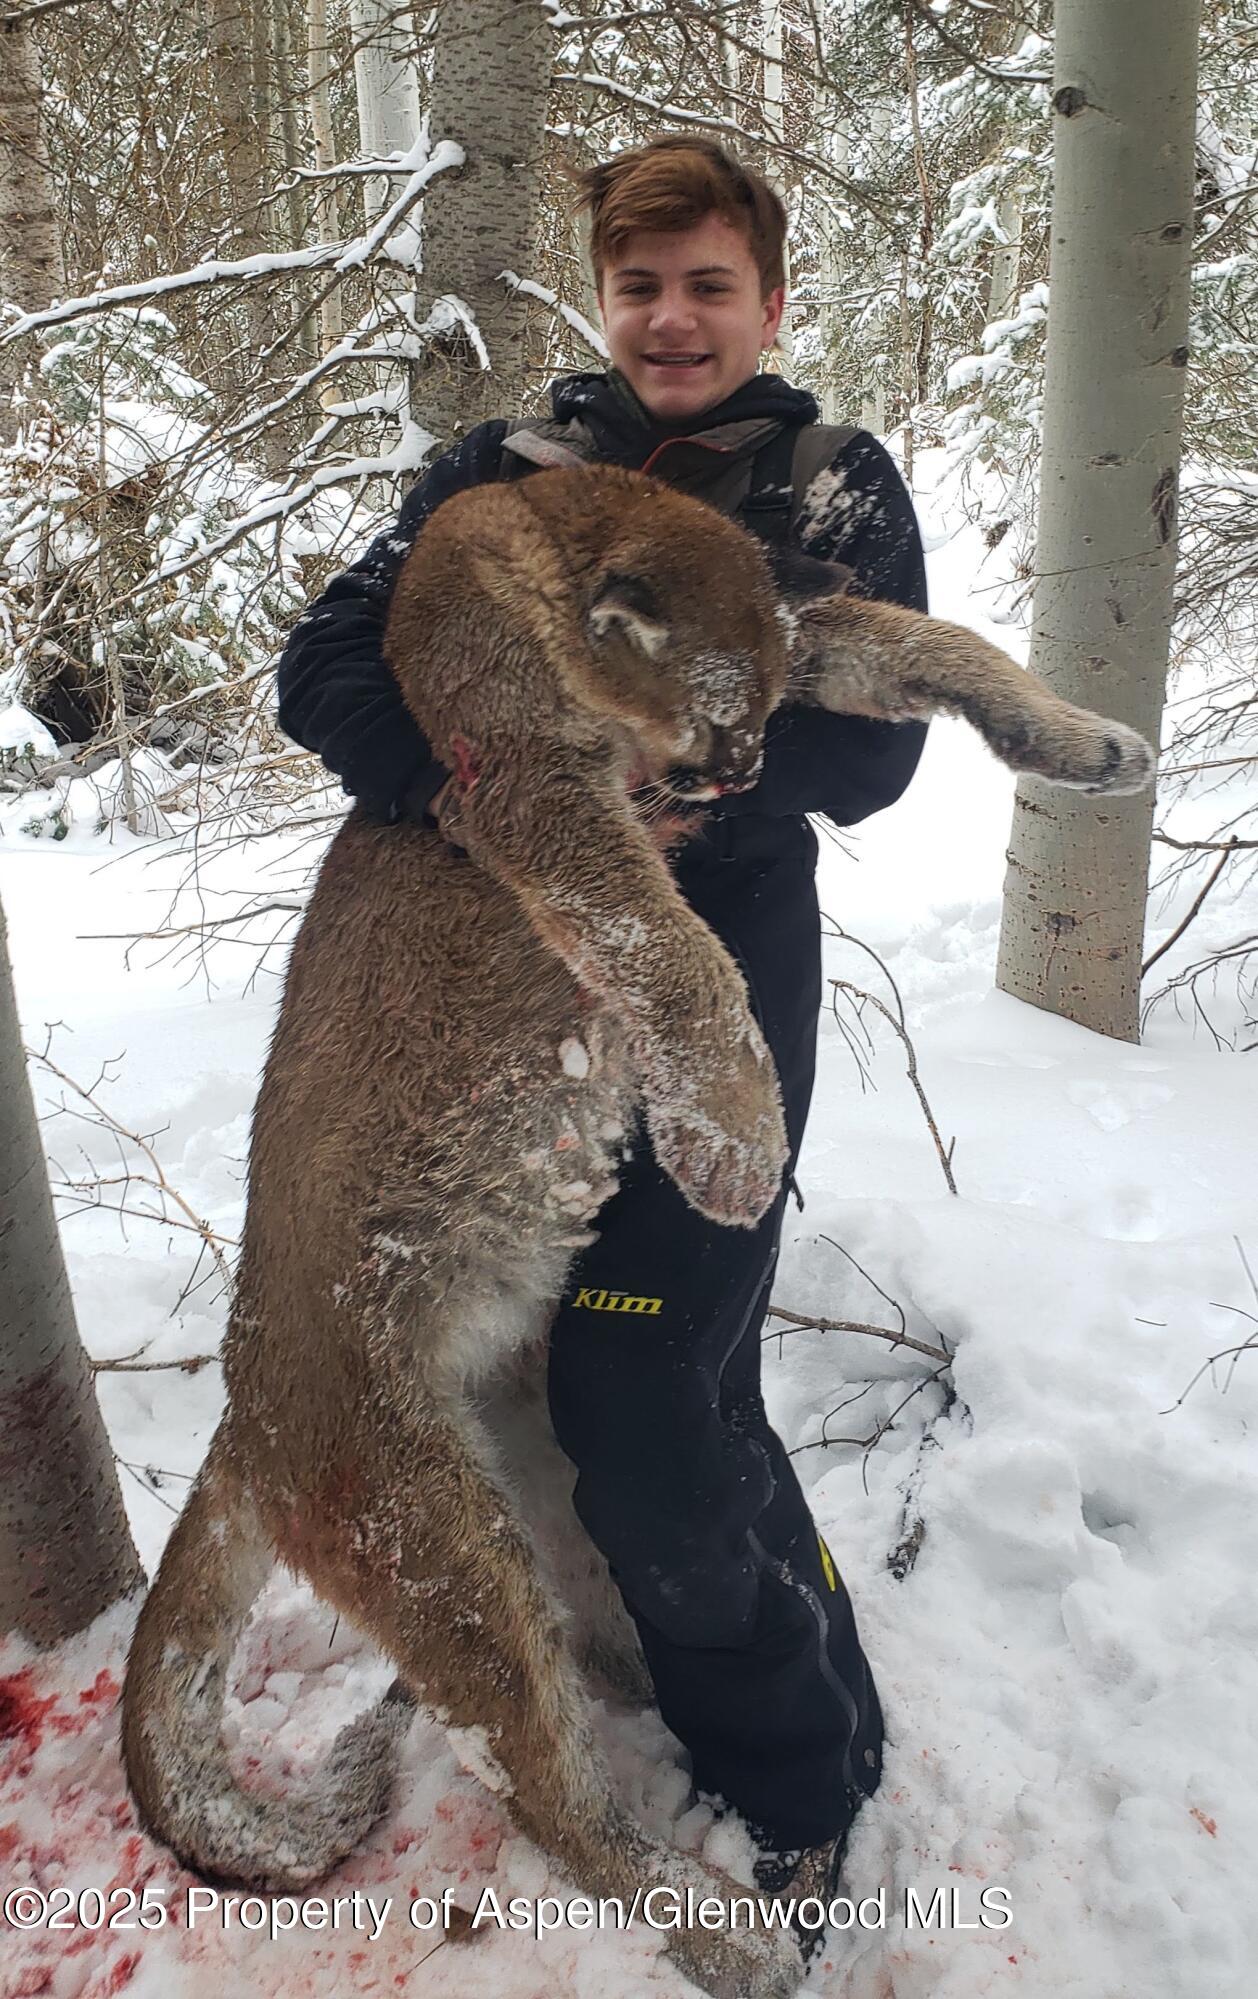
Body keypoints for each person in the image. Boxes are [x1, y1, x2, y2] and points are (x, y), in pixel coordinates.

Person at [276, 134, 928, 1934]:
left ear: (768, 302)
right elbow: (325, 666)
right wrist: (465, 781)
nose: (671, 319)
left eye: (709, 285)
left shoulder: (824, 486)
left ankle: (796, 1770)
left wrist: (665, 749)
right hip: (492, 1012)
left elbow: (872, 751)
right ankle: (593, 1652)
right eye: (641, 286)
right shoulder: (502, 469)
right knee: (524, 1373)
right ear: (602, 296)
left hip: (720, 987)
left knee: (650, 1389)